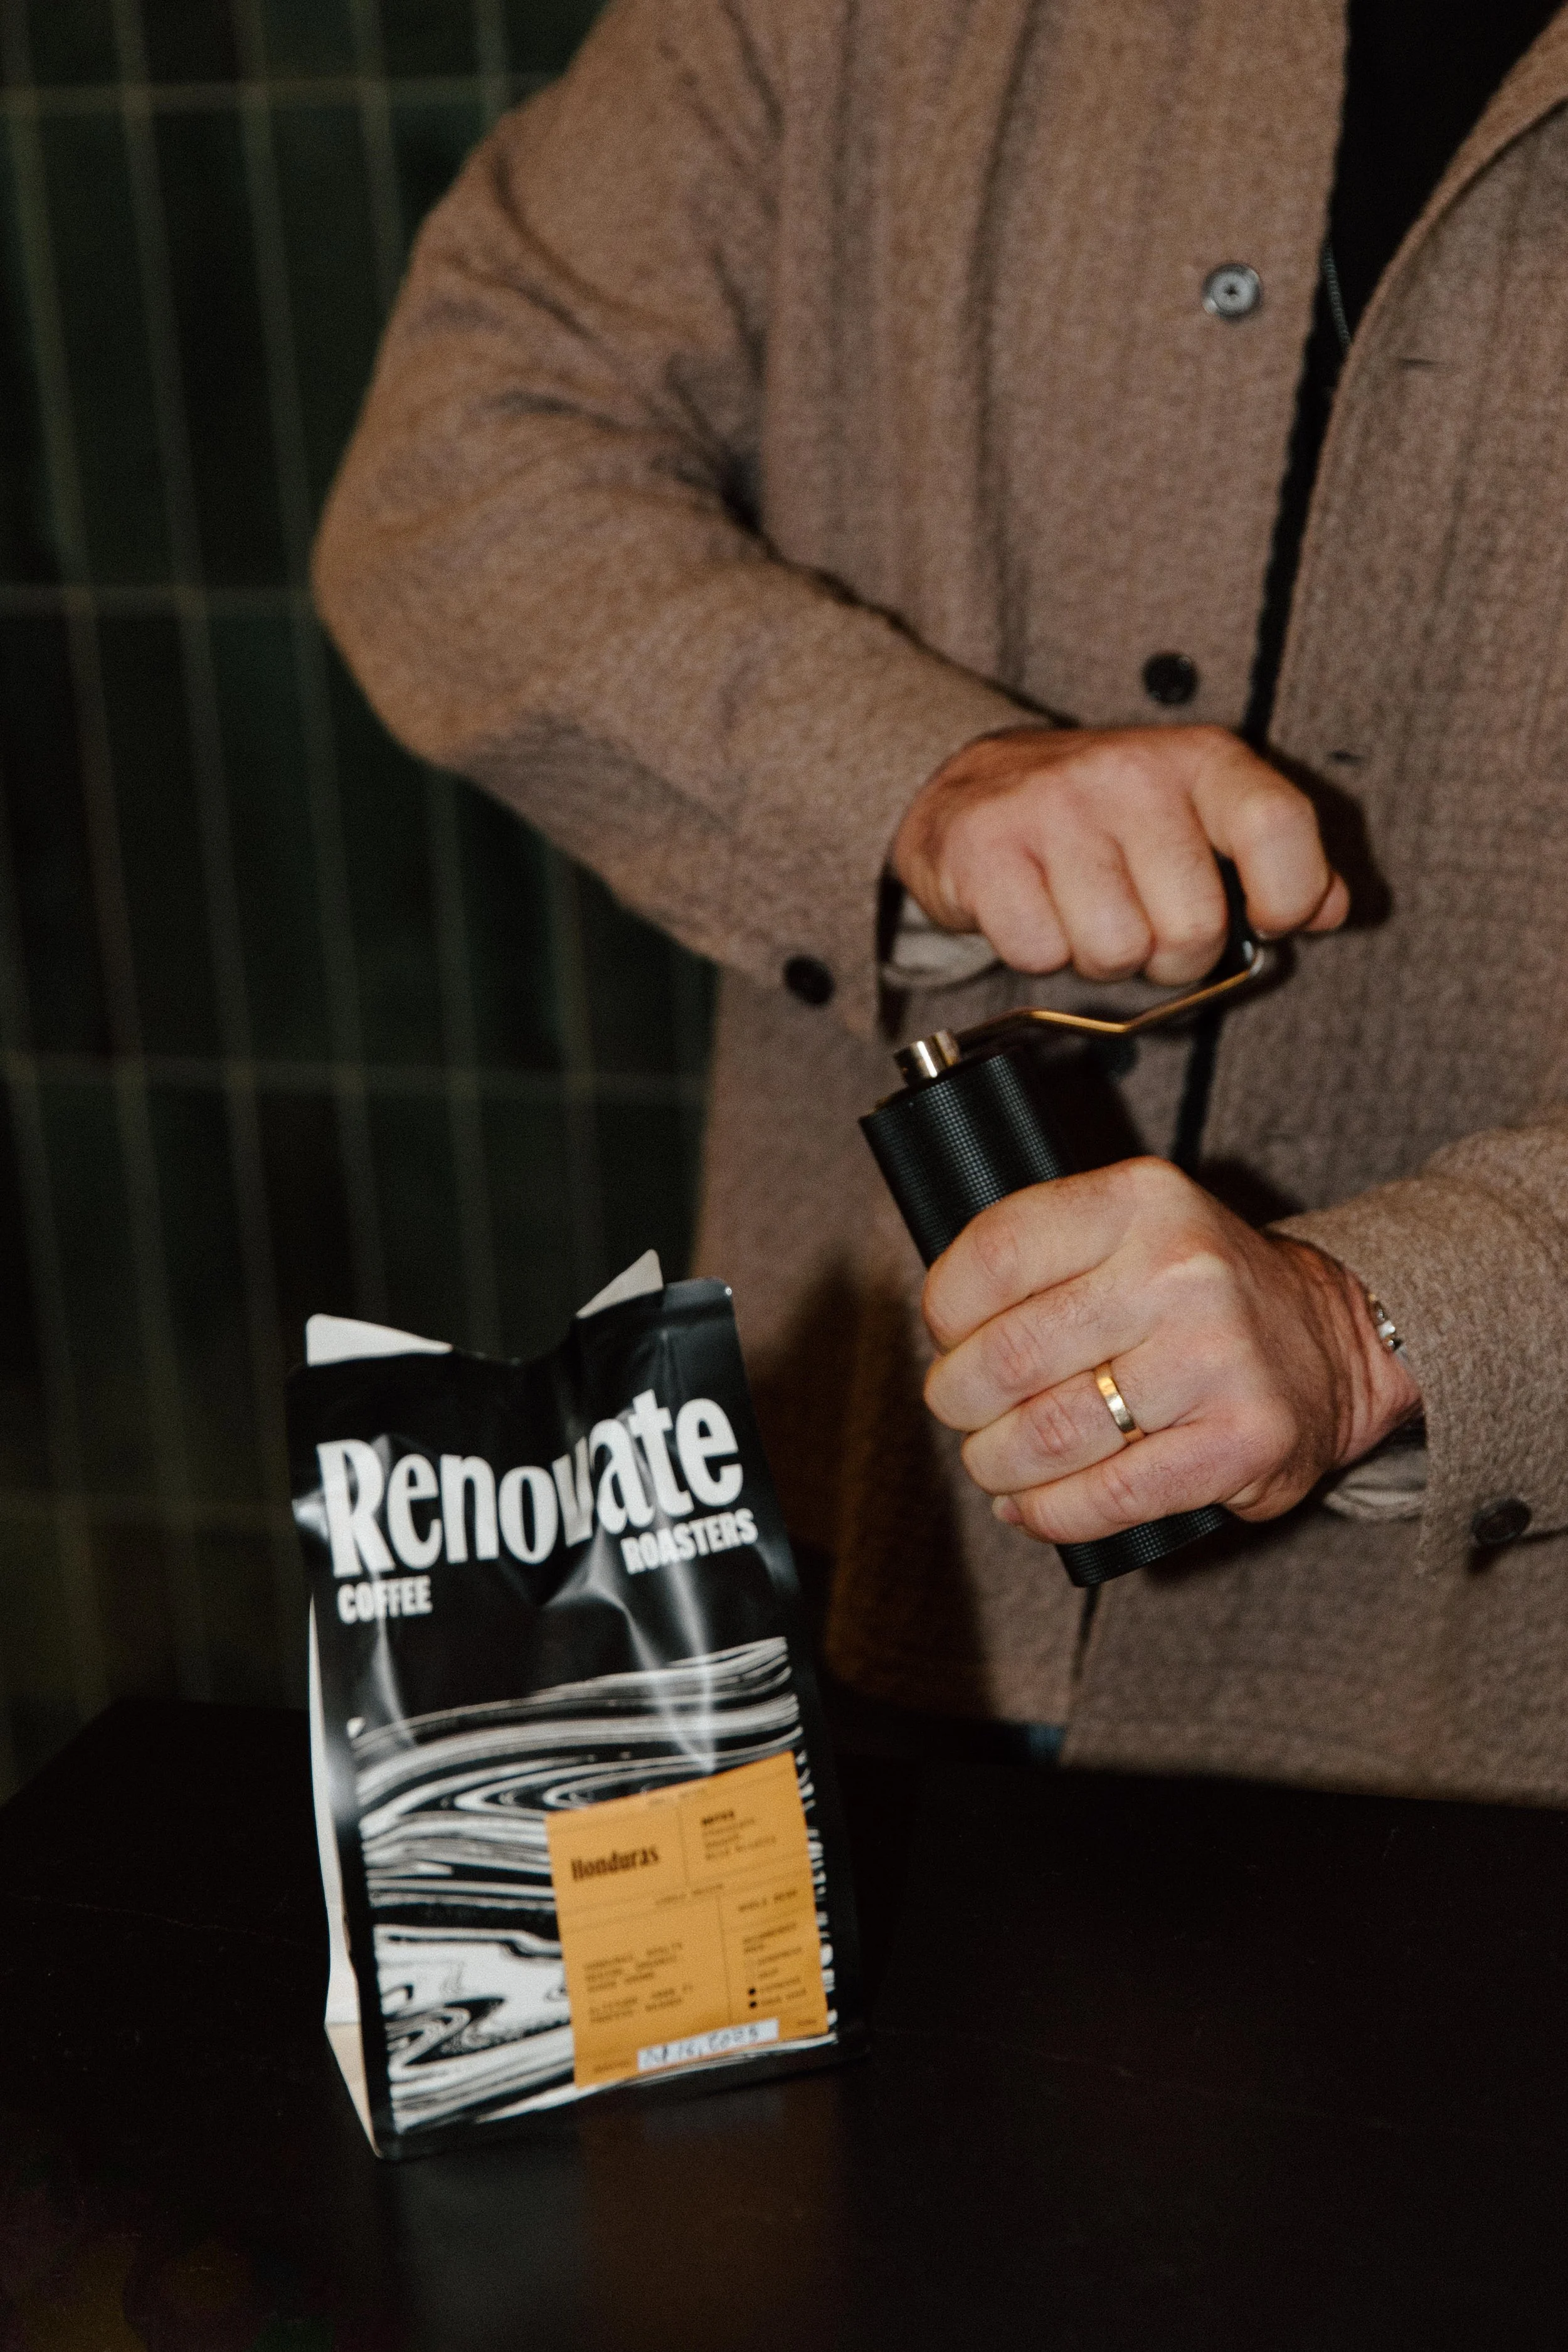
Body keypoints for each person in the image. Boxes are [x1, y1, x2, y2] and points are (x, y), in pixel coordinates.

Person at [315, 0, 1568, 1801]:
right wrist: (902, 774)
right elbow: (461, 467)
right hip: (875, 1594)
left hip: (1496, 1735)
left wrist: (1389, 1325)